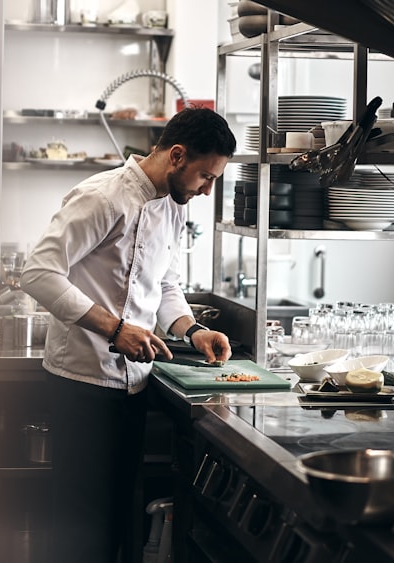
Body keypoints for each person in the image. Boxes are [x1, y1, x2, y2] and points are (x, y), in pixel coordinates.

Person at [19, 107, 237, 563]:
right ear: (177, 155)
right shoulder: (102, 196)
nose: (207, 189)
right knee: (79, 525)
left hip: (133, 385)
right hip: (81, 381)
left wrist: (192, 329)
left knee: (117, 519)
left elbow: (165, 284)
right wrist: (113, 329)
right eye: (205, 176)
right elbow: (38, 272)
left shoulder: (173, 207)